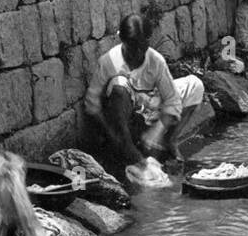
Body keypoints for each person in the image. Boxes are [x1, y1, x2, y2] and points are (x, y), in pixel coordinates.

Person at [84, 14, 207, 185]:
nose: (138, 53)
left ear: (148, 42)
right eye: (133, 47)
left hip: (151, 106)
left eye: (142, 47)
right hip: (127, 115)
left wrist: (156, 132)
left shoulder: (156, 61)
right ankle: (130, 150)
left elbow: (172, 101)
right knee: (119, 86)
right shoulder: (109, 62)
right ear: (122, 40)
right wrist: (112, 133)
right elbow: (92, 105)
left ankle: (169, 141)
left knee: (195, 85)